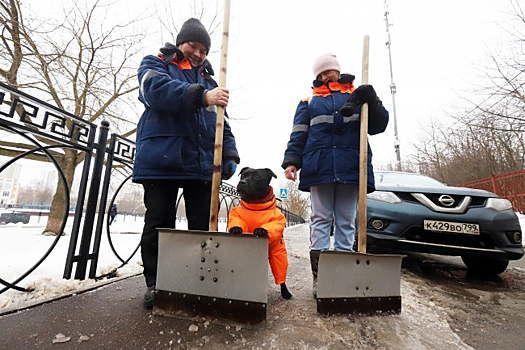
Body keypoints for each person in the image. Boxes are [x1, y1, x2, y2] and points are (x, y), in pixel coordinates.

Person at [132, 18, 240, 309]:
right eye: (194, 46)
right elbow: (154, 91)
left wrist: (229, 154)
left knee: (202, 226)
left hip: (201, 163)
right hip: (161, 158)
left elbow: (223, 123)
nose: (199, 54)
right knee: (159, 221)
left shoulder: (210, 81)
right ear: (181, 43)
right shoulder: (155, 63)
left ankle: (196, 280)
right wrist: (201, 97)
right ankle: (156, 283)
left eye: (204, 50)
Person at [281, 52, 389, 297]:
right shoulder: (308, 101)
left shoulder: (358, 96)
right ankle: (321, 278)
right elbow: (299, 133)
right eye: (322, 71)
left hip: (352, 165)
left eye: (330, 70)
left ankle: (342, 277)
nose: (327, 74)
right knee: (320, 218)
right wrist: (291, 162)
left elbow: (378, 126)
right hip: (320, 165)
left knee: (346, 220)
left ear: (338, 71)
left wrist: (372, 98)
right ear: (317, 74)